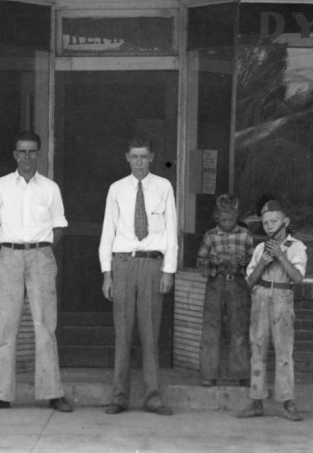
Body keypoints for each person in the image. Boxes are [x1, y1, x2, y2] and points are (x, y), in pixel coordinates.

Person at [0, 131, 72, 412]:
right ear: (15, 154)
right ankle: (1, 394)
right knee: (8, 326)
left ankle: (52, 392)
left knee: (45, 325)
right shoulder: (0, 186)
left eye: (32, 152)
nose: (27, 157)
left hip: (41, 256)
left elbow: (59, 227)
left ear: (39, 154)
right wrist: (12, 246)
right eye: (22, 152)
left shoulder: (50, 188)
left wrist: (40, 249)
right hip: (11, 257)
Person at [98, 135, 178, 416]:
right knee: (123, 332)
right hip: (123, 264)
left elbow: (171, 232)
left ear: (152, 158)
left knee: (150, 333)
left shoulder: (163, 187)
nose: (139, 162)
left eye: (144, 156)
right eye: (134, 156)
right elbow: (108, 231)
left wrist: (168, 271)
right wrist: (107, 274)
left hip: (152, 265)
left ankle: (153, 397)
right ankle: (119, 396)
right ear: (127, 158)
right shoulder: (117, 189)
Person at [236, 199, 307, 421]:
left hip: (282, 299)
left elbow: (297, 278)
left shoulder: (297, 247)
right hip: (261, 298)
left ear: (285, 221)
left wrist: (280, 255)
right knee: (257, 347)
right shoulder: (259, 249)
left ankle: (287, 402)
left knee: (284, 351)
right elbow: (249, 282)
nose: (269, 226)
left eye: (274, 221)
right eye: (265, 223)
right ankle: (256, 401)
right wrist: (262, 263)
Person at [195, 193, 251, 387]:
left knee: (239, 328)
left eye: (231, 218)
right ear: (216, 216)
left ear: (237, 216)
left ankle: (241, 373)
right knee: (211, 328)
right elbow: (200, 262)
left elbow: (254, 263)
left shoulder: (245, 235)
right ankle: (209, 374)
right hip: (215, 284)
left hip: (237, 285)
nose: (227, 222)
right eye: (223, 218)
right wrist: (213, 265)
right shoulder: (210, 235)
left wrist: (243, 264)